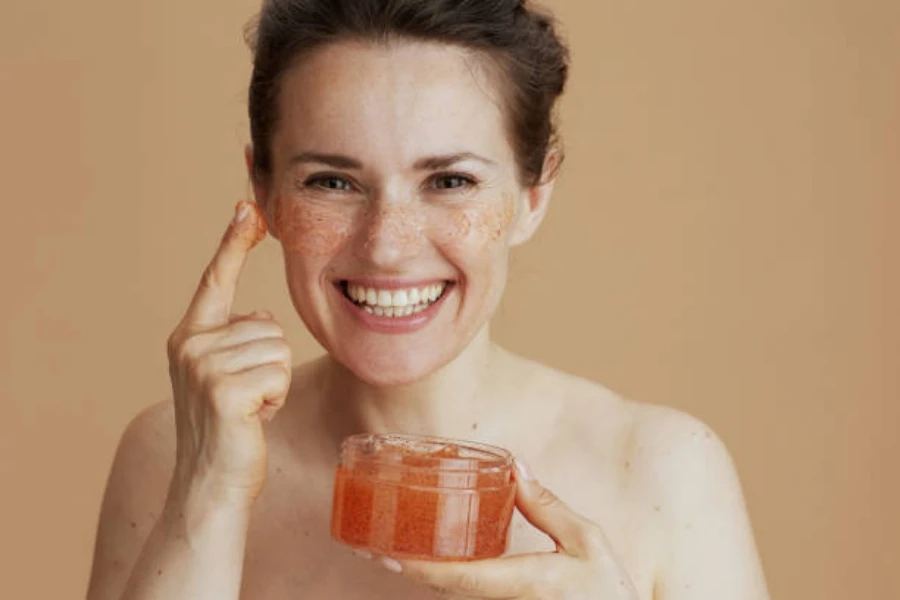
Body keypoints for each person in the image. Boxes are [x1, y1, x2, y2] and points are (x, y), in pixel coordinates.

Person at [86, 1, 770, 598]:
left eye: (449, 181)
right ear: (264, 192)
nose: (387, 245)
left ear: (534, 196)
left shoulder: (661, 471)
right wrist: (208, 492)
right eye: (331, 182)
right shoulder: (172, 452)